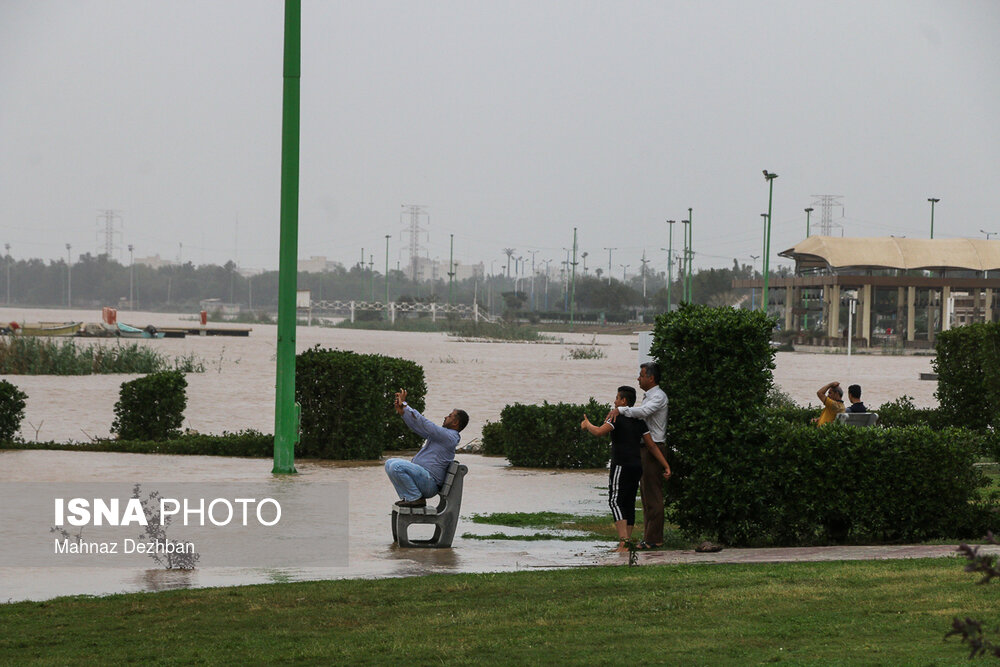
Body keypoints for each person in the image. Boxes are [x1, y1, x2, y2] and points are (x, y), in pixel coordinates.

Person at [582, 385, 671, 552]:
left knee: (615, 501)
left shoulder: (615, 417)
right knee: (629, 502)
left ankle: (623, 543)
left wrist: (587, 424)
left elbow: (600, 432)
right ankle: (627, 543)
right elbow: (651, 446)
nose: (614, 401)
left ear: (623, 401)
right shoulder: (640, 421)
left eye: (617, 398)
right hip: (637, 466)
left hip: (621, 465)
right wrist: (666, 465)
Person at [607, 361, 669, 550]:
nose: (638, 378)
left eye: (641, 375)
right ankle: (647, 537)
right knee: (645, 495)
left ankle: (653, 539)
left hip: (654, 447)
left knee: (653, 496)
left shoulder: (658, 396)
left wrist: (621, 410)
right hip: (647, 448)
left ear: (651, 378)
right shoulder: (649, 395)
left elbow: (643, 412)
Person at [384, 389, 469, 508]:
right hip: (424, 478)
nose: (445, 417)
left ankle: (415, 498)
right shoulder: (443, 435)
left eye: (449, 416)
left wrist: (405, 405)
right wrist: (403, 412)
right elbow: (418, 427)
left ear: (455, 422)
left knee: (396, 466)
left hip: (430, 483)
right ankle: (410, 497)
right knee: (389, 463)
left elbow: (425, 423)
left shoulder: (450, 437)